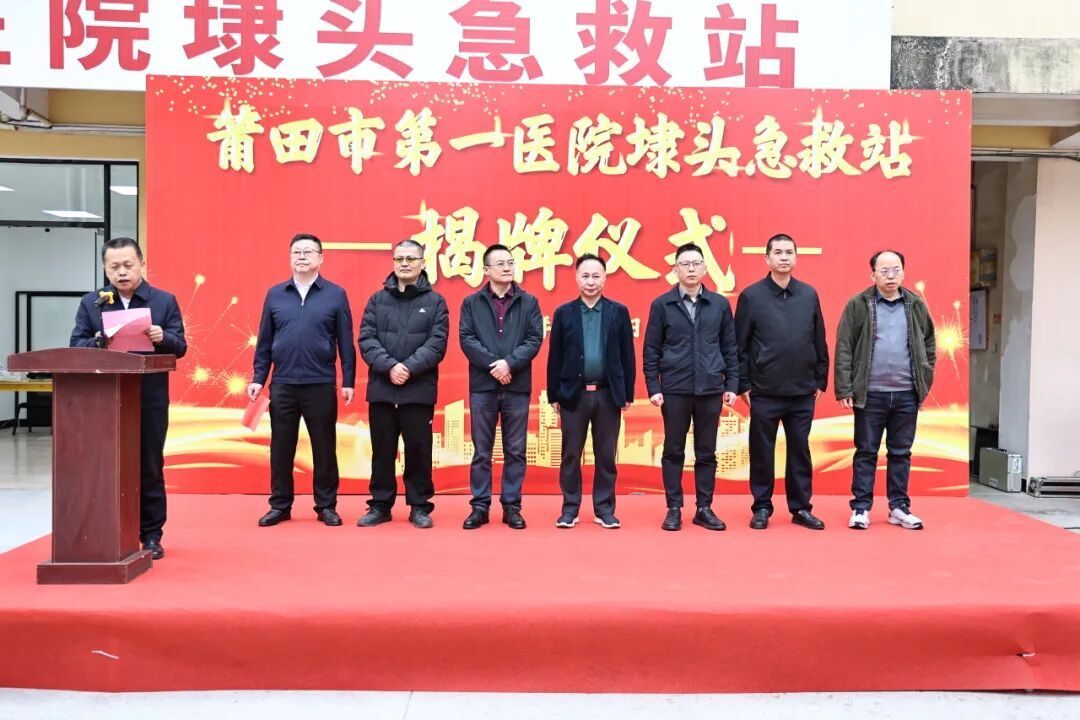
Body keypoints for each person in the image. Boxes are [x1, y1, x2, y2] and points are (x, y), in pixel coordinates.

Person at [70, 236, 187, 560]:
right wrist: (98, 341)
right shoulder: (92, 303)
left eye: (128, 265)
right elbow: (75, 344)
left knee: (149, 465)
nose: (122, 272)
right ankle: (108, 530)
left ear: (142, 264)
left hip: (149, 398)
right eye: (114, 267)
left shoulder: (163, 301)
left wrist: (163, 337)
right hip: (104, 400)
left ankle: (151, 534)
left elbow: (180, 347)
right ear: (105, 269)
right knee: (106, 466)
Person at [248, 233, 356, 528]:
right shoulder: (275, 294)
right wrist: (259, 377)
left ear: (321, 258)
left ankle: (326, 506)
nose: (302, 256)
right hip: (283, 383)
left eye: (309, 252)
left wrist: (348, 380)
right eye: (297, 252)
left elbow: (345, 341)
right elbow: (265, 340)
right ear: (290, 258)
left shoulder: (336, 294)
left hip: (320, 382)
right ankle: (280, 505)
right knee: (281, 448)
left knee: (324, 447)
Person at [834, 250, 937, 530]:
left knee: (901, 452)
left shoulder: (915, 304)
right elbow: (844, 347)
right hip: (870, 394)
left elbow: (929, 342)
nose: (891, 276)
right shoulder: (858, 304)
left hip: (906, 393)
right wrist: (845, 388)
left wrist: (923, 380)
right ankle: (860, 508)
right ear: (873, 275)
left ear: (903, 272)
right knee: (866, 451)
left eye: (896, 270)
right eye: (884, 271)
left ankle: (899, 507)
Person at [735, 233, 829, 531]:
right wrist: (743, 385)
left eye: (789, 252)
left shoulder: (808, 294)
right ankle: (762, 507)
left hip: (802, 391)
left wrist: (820, 379)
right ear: (767, 259)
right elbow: (740, 345)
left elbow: (819, 338)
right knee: (762, 451)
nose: (784, 257)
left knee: (800, 450)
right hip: (764, 391)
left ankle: (801, 507)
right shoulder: (751, 296)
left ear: (796, 257)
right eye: (778, 252)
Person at [642, 243, 738, 532]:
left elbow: (730, 347)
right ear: (675, 270)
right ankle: (674, 508)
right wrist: (653, 386)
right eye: (685, 264)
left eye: (696, 263)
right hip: (675, 389)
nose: (691, 269)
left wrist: (732, 383)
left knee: (707, 452)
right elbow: (651, 350)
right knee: (673, 450)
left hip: (710, 389)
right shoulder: (662, 305)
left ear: (705, 268)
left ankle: (704, 508)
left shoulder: (719, 304)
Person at [356, 240, 449, 529]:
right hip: (383, 388)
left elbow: (437, 344)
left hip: (418, 390)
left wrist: (408, 368)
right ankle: (380, 505)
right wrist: (390, 367)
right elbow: (367, 339)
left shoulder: (436, 302)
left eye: (411, 258)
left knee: (419, 450)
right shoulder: (377, 300)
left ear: (423, 263)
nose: (405, 263)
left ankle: (419, 506)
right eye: (399, 259)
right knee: (382, 450)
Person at [546, 254, 636, 529]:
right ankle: (569, 509)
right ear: (576, 278)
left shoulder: (618, 312)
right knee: (571, 454)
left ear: (605, 278)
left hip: (608, 394)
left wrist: (627, 393)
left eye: (596, 276)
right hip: (574, 395)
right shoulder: (564, 313)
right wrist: (554, 395)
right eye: (585, 276)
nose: (590, 281)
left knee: (606, 455)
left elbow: (627, 355)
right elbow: (555, 356)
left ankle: (604, 508)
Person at [458, 244, 543, 530]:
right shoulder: (472, 303)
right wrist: (495, 365)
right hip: (483, 386)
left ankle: (512, 507)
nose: (507, 268)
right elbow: (467, 339)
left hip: (516, 386)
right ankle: (480, 507)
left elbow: (534, 339)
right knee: (482, 451)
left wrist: (509, 364)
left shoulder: (529, 302)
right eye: (501, 263)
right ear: (486, 270)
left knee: (515, 450)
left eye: (510, 262)